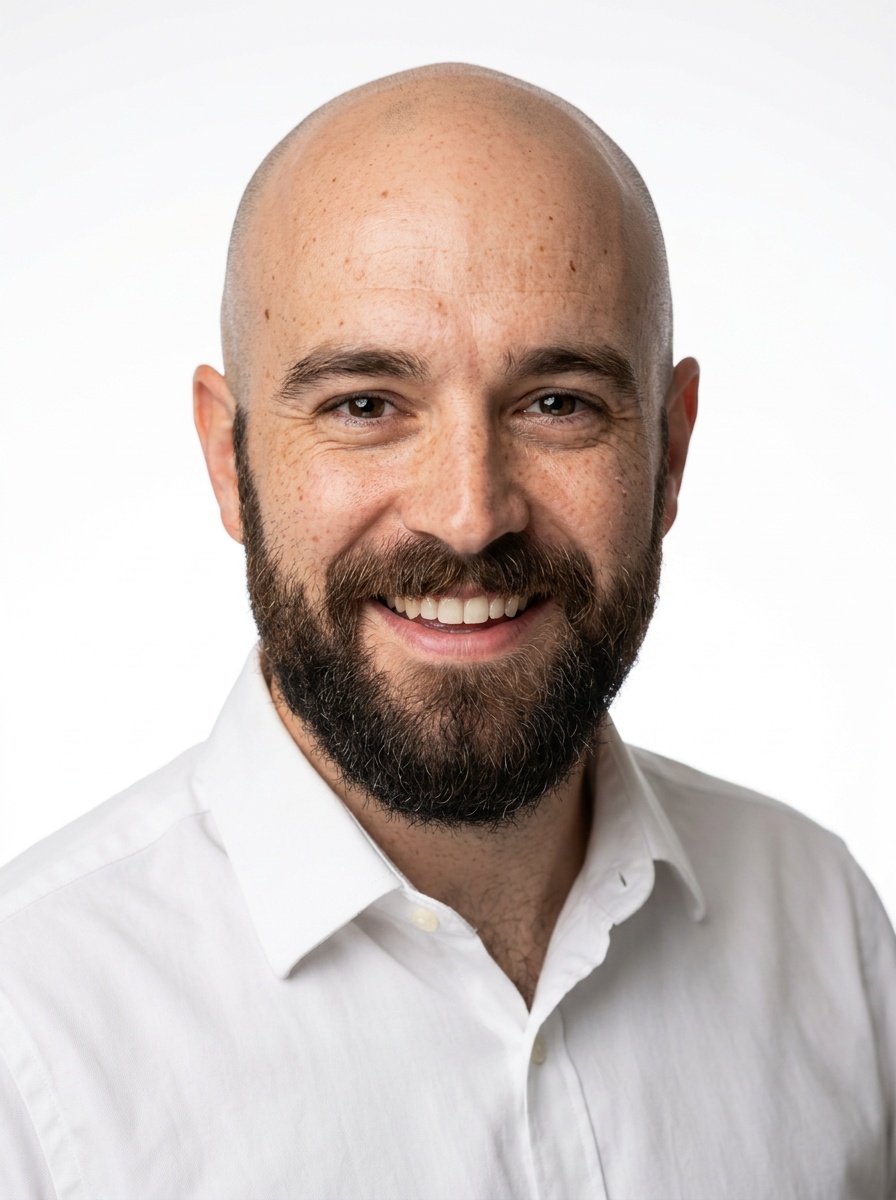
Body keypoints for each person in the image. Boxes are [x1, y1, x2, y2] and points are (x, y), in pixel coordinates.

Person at [0, 62, 893, 1199]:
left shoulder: (823, 926)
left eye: (557, 403)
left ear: (670, 446)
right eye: (365, 406)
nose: (469, 515)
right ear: (229, 459)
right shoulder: (27, 1049)